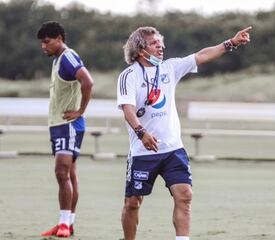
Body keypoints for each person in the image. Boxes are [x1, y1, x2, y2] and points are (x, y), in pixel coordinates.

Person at [116, 26, 252, 240]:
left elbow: (201, 55)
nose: (161, 48)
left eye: (162, 44)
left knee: (185, 195)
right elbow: (128, 109)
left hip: (173, 149)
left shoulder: (170, 68)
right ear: (141, 50)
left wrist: (231, 43)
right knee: (132, 203)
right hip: (143, 151)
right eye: (155, 44)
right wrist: (141, 133)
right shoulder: (129, 76)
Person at [37, 21, 93, 238]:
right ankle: (67, 224)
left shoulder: (68, 57)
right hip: (59, 126)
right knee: (68, 173)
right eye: (41, 43)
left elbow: (88, 82)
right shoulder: (58, 59)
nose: (44, 46)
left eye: (47, 42)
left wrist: (80, 110)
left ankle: (63, 223)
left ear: (59, 38)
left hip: (69, 125)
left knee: (61, 172)